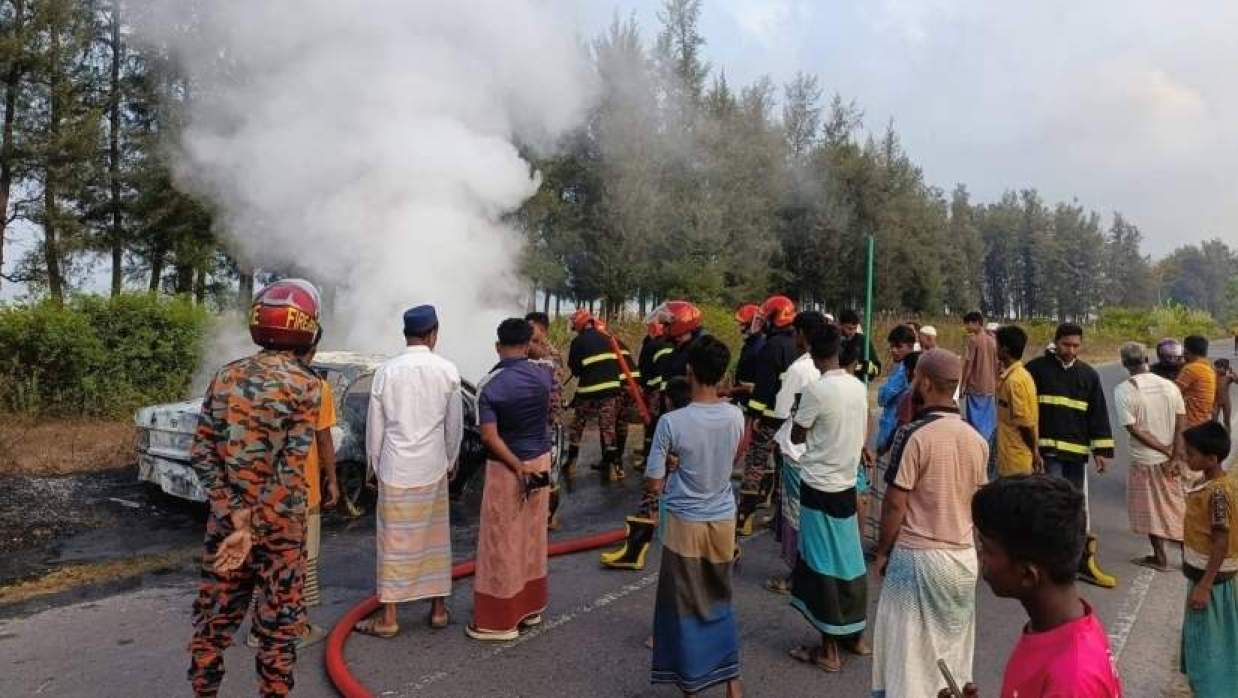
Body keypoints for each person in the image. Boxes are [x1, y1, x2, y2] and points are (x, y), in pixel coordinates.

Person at [188, 279, 325, 698]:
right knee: (279, 630)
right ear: (306, 328)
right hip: (280, 533)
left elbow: (202, 454)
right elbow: (289, 470)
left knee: (213, 625)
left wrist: (235, 515)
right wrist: (257, 524)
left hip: (226, 531)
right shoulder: (306, 386)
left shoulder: (226, 377)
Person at [870, 349, 988, 697]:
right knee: (951, 653)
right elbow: (979, 505)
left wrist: (882, 552)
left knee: (908, 658)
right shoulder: (977, 441)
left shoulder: (914, 434)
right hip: (963, 559)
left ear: (923, 382)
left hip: (918, 560)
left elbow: (895, 503)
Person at [941, 475, 1122, 697]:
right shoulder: (1050, 629)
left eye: (986, 548)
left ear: (1028, 575)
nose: (979, 556)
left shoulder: (1072, 679)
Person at [647, 336, 745, 698]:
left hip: (685, 521)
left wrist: (672, 468)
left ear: (689, 371)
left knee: (685, 603)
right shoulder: (736, 415)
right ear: (722, 374)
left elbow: (654, 483)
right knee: (720, 595)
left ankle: (693, 683)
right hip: (723, 518)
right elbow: (729, 460)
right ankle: (732, 682)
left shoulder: (672, 422)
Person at [356, 305, 462, 638]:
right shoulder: (447, 371)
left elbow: (376, 427)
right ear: (433, 334)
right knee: (435, 538)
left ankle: (389, 617)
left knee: (394, 541)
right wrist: (451, 460)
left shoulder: (386, 372)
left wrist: (372, 465)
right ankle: (439, 610)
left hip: (395, 467)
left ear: (406, 334)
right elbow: (454, 426)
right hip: (432, 466)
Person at [787, 324, 871, 673]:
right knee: (849, 559)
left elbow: (797, 433)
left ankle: (829, 649)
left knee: (822, 564)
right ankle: (855, 635)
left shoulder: (816, 390)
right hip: (847, 483)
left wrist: (797, 412)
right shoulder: (856, 386)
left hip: (819, 485)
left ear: (808, 348)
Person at [245, 338, 338, 649]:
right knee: (301, 560)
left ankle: (259, 630)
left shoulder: (253, 382)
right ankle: (295, 629)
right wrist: (332, 480)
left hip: (259, 490)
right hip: (301, 490)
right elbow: (323, 440)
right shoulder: (315, 386)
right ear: (310, 350)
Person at [468, 318, 554, 641]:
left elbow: (489, 437)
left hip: (508, 468)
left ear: (497, 346)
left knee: (500, 541)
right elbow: (544, 358)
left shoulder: (490, 385)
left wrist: (517, 466)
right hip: (541, 461)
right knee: (532, 535)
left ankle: (498, 621)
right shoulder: (545, 373)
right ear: (528, 343)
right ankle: (530, 608)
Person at [1026, 323, 1117, 589]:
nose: (1071, 350)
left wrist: (1101, 451)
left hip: (1076, 454)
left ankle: (1077, 559)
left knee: (1074, 505)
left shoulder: (1088, 375)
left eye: (1076, 346)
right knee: (1051, 505)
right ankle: (1048, 560)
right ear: (1056, 342)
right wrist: (1032, 450)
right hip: (1048, 452)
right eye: (1066, 345)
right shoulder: (1036, 370)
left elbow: (1098, 413)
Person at [766, 311, 827, 594]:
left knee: (795, 515)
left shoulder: (800, 369)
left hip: (795, 451)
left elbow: (781, 411)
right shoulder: (830, 370)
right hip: (819, 453)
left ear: (802, 334)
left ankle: (797, 575)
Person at [1114, 341, 1187, 572]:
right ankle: (1189, 557)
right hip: (1170, 460)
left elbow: (1133, 428)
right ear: (1146, 359)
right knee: (1176, 507)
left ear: (1124, 363)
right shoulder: (1169, 386)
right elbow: (1181, 421)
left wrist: (1164, 450)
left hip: (1144, 460)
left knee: (1149, 511)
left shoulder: (1123, 390)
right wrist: (1175, 454)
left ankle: (1160, 558)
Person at [1178, 422, 1238, 695]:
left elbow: (1221, 540)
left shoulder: (1217, 494)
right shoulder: (1208, 483)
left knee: (1209, 642)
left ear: (1212, 459)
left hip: (1209, 581)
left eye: (1191, 454)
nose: (1186, 458)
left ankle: (1213, 689)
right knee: (1205, 637)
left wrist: (1204, 585)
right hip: (1204, 577)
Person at [737, 295, 799, 537]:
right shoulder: (796, 343)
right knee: (784, 465)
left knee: (754, 464)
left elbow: (763, 387)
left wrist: (754, 414)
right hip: (790, 418)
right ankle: (779, 515)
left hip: (770, 417)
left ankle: (745, 518)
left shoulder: (771, 347)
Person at [565, 309, 623, 481]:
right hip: (611, 389)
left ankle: (571, 465)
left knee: (578, 425)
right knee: (608, 428)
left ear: (580, 324)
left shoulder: (578, 342)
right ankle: (614, 468)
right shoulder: (607, 337)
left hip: (589, 390)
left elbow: (575, 368)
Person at [525, 312, 567, 529]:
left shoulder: (551, 356)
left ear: (544, 330)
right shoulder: (525, 354)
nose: (530, 334)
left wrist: (550, 420)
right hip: (529, 424)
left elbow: (554, 394)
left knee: (550, 470)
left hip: (548, 423)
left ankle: (549, 516)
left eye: (533, 329)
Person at [994, 325, 1040, 477]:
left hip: (1015, 462)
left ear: (1005, 350)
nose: (996, 348)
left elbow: (1025, 425)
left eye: (997, 345)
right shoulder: (1019, 375)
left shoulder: (1014, 382)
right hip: (1012, 458)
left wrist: (1034, 453)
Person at [876, 324, 918, 454]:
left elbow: (883, 398)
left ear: (910, 346)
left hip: (893, 428)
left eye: (899, 346)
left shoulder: (904, 370)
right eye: (892, 346)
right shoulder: (901, 366)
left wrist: (883, 390)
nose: (894, 350)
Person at [960, 311, 1000, 447]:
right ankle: (987, 446)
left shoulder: (973, 340)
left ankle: (977, 447)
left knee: (975, 422)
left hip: (975, 386)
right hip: (990, 387)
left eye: (968, 324)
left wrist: (963, 385)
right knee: (988, 421)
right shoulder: (992, 341)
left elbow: (969, 364)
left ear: (976, 323)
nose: (966, 327)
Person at [1178, 335, 1217, 429]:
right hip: (1204, 420)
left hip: (1191, 423)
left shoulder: (1191, 369)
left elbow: (1174, 392)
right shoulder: (1209, 367)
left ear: (1186, 351)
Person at [838, 309, 881, 382]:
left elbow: (877, 369)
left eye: (855, 328)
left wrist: (859, 367)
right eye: (849, 328)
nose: (852, 332)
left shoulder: (863, 341)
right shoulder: (832, 340)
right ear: (840, 325)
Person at [1214, 359, 1234, 430]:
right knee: (1214, 421)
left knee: (1227, 421)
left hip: (1226, 402)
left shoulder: (1228, 377)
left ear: (1225, 368)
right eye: (1216, 367)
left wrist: (1233, 373)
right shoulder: (1214, 375)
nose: (1216, 369)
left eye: (1219, 367)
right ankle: (1214, 438)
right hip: (1215, 402)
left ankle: (1227, 437)